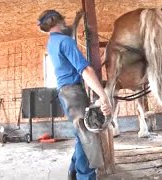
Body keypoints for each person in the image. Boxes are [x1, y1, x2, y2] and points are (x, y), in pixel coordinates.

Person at [37, 10, 112, 180]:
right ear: (57, 21)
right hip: (74, 92)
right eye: (63, 20)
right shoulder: (66, 42)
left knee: (80, 133)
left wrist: (78, 19)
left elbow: (68, 30)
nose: (65, 22)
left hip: (65, 92)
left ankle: (73, 170)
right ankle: (85, 176)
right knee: (88, 136)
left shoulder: (52, 42)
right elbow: (85, 70)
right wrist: (103, 95)